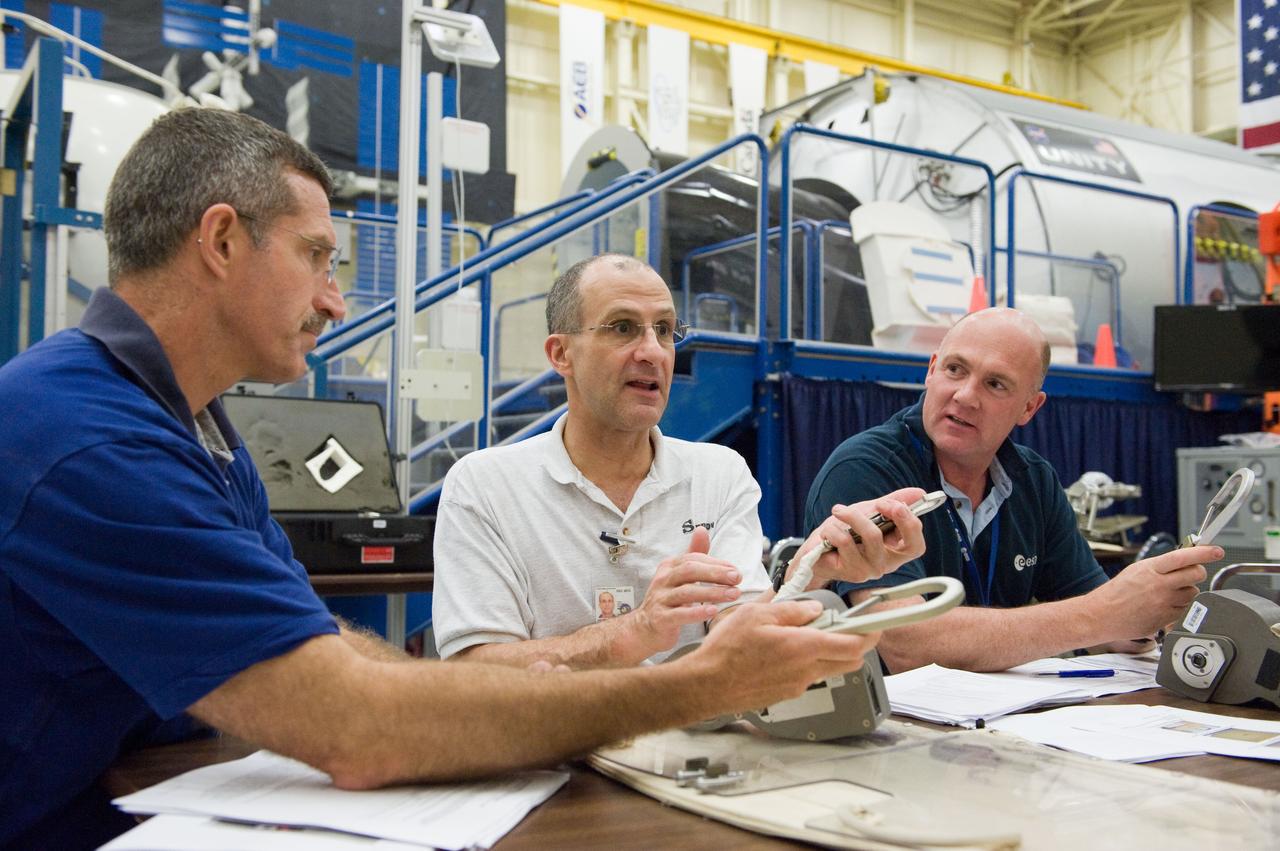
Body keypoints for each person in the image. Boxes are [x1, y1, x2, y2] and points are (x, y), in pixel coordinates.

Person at [0, 109, 888, 850]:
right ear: (223, 240)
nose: (335, 299)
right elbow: (357, 723)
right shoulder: (87, 438)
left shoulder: (197, 432)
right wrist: (700, 682)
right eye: (318, 256)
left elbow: (326, 646)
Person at [431, 253, 926, 667]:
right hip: (555, 746)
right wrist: (637, 631)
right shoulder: (485, 485)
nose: (653, 352)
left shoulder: (718, 473)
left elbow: (735, 635)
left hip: (693, 740)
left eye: (665, 330)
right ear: (561, 354)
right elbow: (475, 669)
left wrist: (809, 570)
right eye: (623, 328)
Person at [804, 307, 1222, 674]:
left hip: (999, 718)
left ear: (1029, 408)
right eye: (955, 369)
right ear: (931, 370)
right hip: (889, 723)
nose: (965, 396)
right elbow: (904, 643)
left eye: (996, 384)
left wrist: (1144, 614)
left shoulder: (1032, 479)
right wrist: (1103, 613)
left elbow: (1103, 620)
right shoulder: (866, 468)